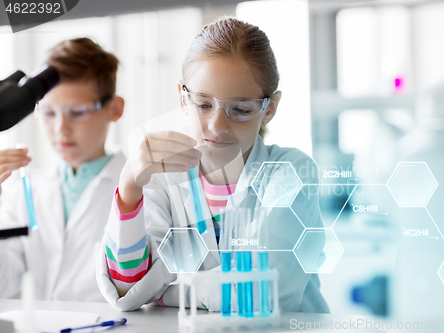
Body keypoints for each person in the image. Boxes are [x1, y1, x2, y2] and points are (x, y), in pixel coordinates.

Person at [97, 17, 329, 313]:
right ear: (183, 98)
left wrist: (167, 293)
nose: (217, 126)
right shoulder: (161, 176)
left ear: (268, 108)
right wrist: (129, 187)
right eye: (204, 105)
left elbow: (266, 294)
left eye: (240, 109)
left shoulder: (290, 172)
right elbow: (128, 290)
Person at [0, 38, 126, 302]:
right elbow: (3, 283)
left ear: (114, 109)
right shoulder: (24, 190)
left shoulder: (141, 189)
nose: (61, 128)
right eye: (47, 113)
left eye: (77, 112)